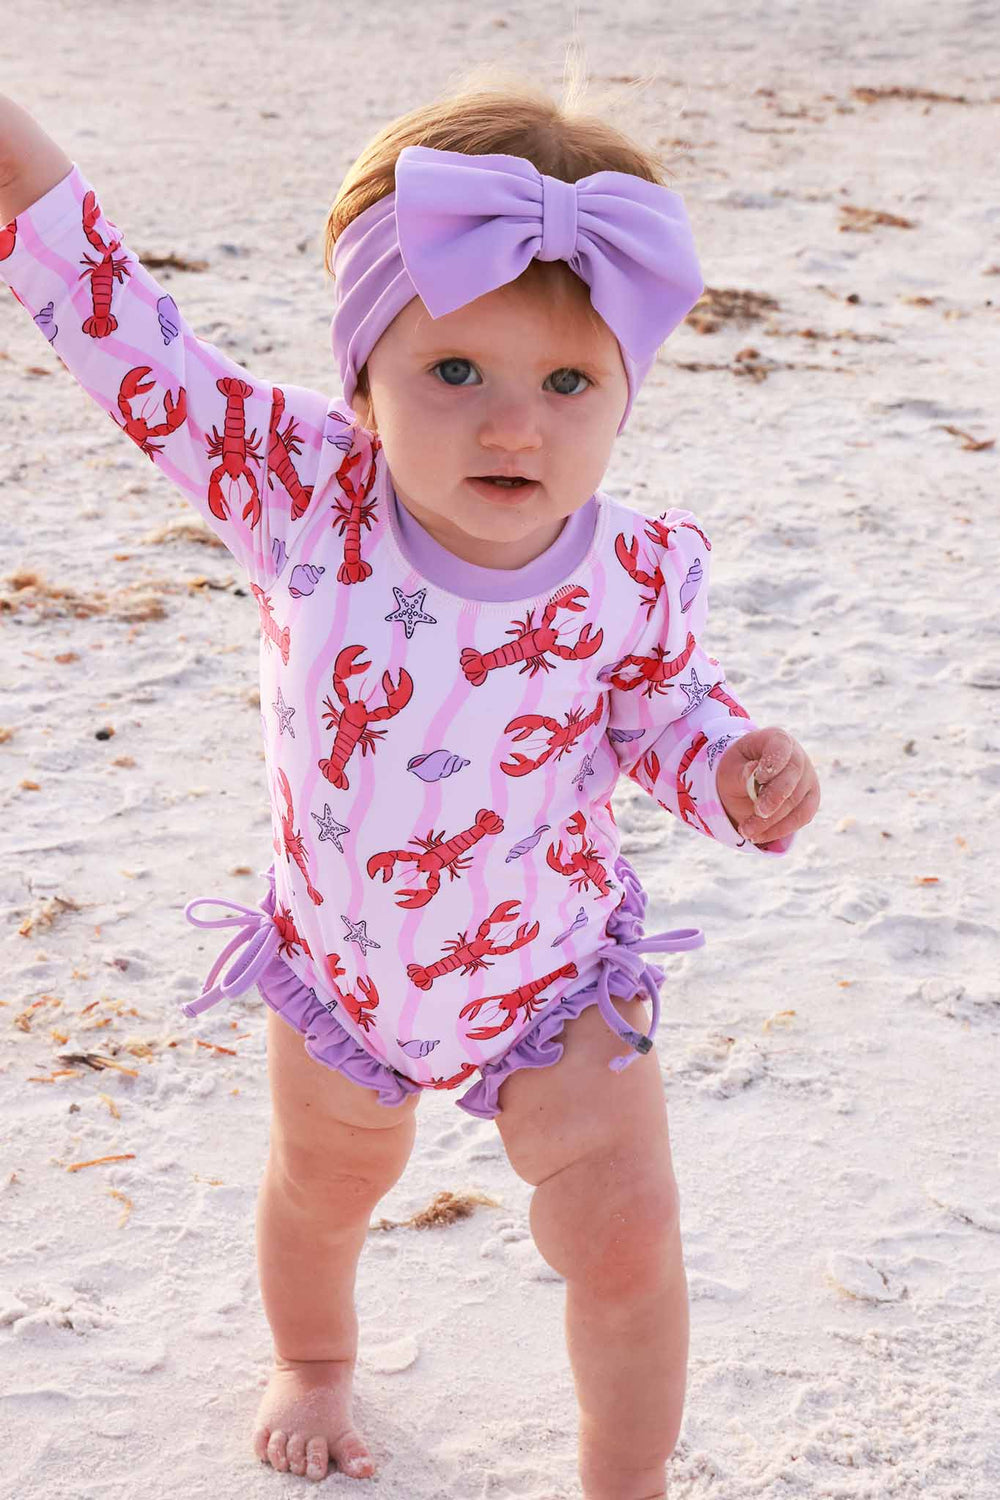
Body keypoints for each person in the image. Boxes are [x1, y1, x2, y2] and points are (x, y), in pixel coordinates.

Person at [0, 63, 819, 1499]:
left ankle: (626, 1485)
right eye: (456, 372)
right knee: (322, 1194)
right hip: (346, 967)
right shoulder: (294, 488)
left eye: (568, 383)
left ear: (625, 394)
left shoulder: (635, 570)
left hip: (553, 975)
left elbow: (661, 716)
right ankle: (312, 1358)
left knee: (626, 1242)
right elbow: (115, 316)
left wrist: (732, 769)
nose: (515, 426)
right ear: (362, 380)